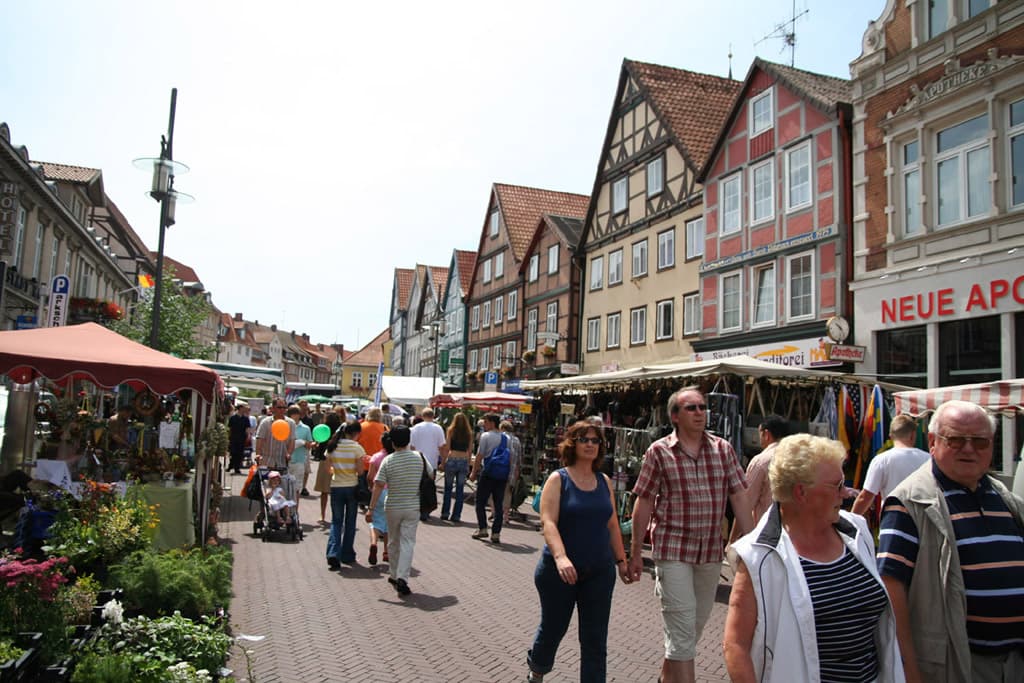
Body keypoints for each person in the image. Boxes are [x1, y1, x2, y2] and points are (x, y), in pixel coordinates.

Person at [724, 434, 904, 682]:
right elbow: (735, 646)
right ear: (801, 492)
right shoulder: (759, 557)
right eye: (838, 485)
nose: (846, 493)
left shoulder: (857, 531)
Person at [877, 400, 1024, 682]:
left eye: (980, 442)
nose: (969, 449)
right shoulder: (910, 502)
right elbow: (892, 590)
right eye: (956, 440)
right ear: (932, 442)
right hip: (956, 665)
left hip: (1014, 664)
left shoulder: (1005, 499)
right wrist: (909, 671)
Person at [627, 387, 753, 683]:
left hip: (709, 551)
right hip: (672, 550)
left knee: (692, 627)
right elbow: (643, 500)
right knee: (682, 628)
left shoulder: (723, 449)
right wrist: (634, 551)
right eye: (692, 408)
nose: (700, 412)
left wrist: (752, 543)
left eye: (702, 407)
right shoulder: (659, 451)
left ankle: (666, 678)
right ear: (675, 416)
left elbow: (740, 496)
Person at [526, 421, 632, 683]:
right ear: (573, 444)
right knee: (553, 628)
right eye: (584, 439)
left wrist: (621, 560)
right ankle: (537, 669)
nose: (590, 444)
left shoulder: (604, 481)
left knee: (595, 637)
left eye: (595, 441)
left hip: (599, 571)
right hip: (559, 573)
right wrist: (561, 558)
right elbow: (548, 522)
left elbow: (612, 524)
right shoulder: (558, 479)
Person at [366, 425, 430, 596]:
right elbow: (430, 474)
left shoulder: (389, 460)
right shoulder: (419, 458)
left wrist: (371, 509)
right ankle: (402, 576)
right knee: (408, 542)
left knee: (393, 541)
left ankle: (394, 574)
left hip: (393, 506)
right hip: (413, 506)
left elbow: (378, 485)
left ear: (392, 442)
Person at [851, 414, 930, 518]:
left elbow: (865, 497)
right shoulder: (928, 459)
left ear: (891, 436)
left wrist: (850, 521)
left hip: (892, 521)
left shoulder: (881, 460)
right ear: (913, 435)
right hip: (922, 522)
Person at [728, 415, 788, 545]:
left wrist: (732, 540)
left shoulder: (761, 461)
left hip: (766, 537)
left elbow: (745, 505)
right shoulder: (797, 459)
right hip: (793, 536)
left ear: (766, 434)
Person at [326, 420, 366, 569]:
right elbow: (361, 471)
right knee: (350, 522)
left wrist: (337, 470)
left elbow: (328, 469)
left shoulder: (332, 446)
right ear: (355, 433)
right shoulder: (357, 448)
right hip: (352, 486)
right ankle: (347, 554)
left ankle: (332, 552)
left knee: (336, 521)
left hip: (336, 485)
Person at [469, 413, 509, 544]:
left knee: (480, 501)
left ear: (492, 423)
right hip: (502, 474)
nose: (484, 425)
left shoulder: (485, 436)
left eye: (485, 422)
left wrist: (474, 472)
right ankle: (496, 533)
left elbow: (480, 456)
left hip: (488, 472)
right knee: (498, 503)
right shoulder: (505, 438)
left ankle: (483, 528)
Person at [411, 407, 447, 520]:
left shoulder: (416, 428)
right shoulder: (438, 428)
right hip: (432, 462)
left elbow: (412, 446)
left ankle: (417, 509)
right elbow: (442, 446)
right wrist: (443, 461)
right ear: (433, 416)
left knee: (417, 487)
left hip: (417, 461)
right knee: (429, 487)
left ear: (422, 416)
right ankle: (425, 511)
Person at [366, 432, 394, 565]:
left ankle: (373, 543)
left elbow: (370, 476)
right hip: (392, 492)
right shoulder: (395, 458)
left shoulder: (376, 457)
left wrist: (370, 487)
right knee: (389, 523)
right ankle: (387, 552)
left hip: (379, 491)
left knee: (375, 522)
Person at [439, 412, 473, 523]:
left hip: (452, 459)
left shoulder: (451, 431)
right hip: (463, 460)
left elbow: (447, 448)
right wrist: (468, 464)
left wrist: (443, 462)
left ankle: (445, 513)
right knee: (460, 490)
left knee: (448, 489)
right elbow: (470, 450)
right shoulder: (469, 433)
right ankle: (456, 515)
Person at [313, 411, 344, 523]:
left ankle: (322, 515)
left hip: (325, 460)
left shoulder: (324, 429)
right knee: (336, 492)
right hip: (338, 461)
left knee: (324, 491)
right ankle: (336, 515)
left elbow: (320, 445)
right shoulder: (341, 432)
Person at [254, 398, 295, 469]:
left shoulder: (291, 423)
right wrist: (258, 454)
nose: (282, 409)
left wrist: (289, 453)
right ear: (273, 408)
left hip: (282, 462)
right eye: (279, 407)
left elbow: (292, 440)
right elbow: (260, 439)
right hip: (266, 461)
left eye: (284, 407)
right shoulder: (265, 422)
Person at [500, 420, 523, 524]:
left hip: (499, 469)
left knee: (496, 492)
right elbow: (519, 459)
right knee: (508, 493)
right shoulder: (517, 440)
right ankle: (505, 516)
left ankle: (495, 512)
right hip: (512, 471)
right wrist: (517, 472)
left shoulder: (501, 437)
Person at [285, 406, 310, 503]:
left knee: (296, 489)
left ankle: (295, 512)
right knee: (284, 488)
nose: (295, 417)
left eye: (297, 414)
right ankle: (285, 512)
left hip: (299, 461)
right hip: (285, 461)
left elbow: (309, 444)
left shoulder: (305, 428)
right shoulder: (285, 426)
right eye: (293, 414)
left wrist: (304, 443)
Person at [227, 404, 251, 475]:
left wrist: (248, 436)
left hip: (242, 438)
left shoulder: (245, 418)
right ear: (240, 409)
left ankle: (237, 468)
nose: (244, 410)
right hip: (233, 438)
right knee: (233, 452)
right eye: (243, 408)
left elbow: (247, 428)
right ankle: (231, 465)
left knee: (240, 453)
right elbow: (230, 428)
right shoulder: (233, 418)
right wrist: (228, 437)